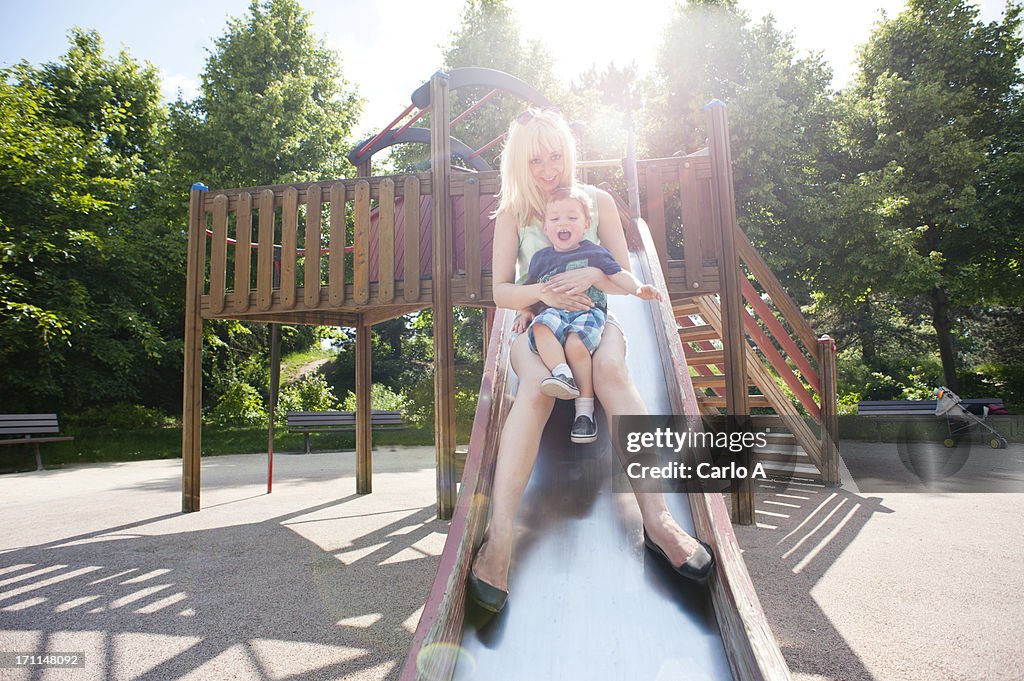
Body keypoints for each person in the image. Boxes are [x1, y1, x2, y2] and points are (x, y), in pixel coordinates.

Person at [467, 108, 715, 614]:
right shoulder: (513, 212)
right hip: (536, 327)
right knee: (535, 390)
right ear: (519, 161)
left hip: (596, 325)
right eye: (535, 159)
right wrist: (544, 294)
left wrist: (586, 279)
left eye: (555, 156)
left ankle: (658, 517)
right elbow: (501, 291)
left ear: (569, 152)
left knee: (612, 372)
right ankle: (499, 538)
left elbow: (620, 272)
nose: (547, 168)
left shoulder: (596, 203)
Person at [522, 185, 662, 444]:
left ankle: (583, 412)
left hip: (587, 311)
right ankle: (562, 373)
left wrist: (638, 288)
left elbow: (618, 273)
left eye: (572, 217)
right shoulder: (540, 259)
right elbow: (530, 288)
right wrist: (524, 310)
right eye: (555, 218)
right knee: (540, 328)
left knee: (576, 344)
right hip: (554, 312)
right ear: (546, 228)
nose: (563, 223)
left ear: (586, 224)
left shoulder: (593, 252)